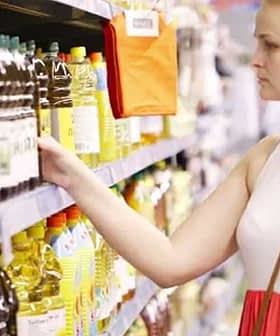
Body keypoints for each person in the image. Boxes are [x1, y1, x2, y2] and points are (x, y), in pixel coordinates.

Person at [38, 0, 280, 334]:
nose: (255, 60)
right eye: (257, 43)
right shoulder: (265, 157)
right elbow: (172, 260)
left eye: (271, 45)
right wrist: (71, 174)